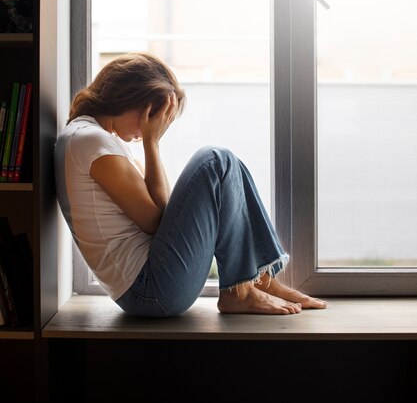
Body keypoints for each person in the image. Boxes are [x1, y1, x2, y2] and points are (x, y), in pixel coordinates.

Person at [54, 51, 327, 317]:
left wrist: (151, 142)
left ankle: (259, 280)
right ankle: (240, 292)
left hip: (152, 288)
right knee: (216, 160)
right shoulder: (91, 141)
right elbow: (156, 222)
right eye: (154, 118)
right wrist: (152, 142)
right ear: (133, 99)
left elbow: (163, 212)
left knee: (225, 164)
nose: (149, 130)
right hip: (150, 289)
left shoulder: (94, 139)